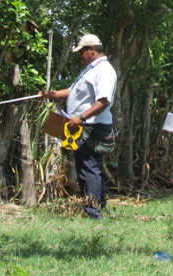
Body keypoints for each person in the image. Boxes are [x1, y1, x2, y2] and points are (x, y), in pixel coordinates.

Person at [40, 34, 117, 219]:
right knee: (92, 168)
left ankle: (93, 213)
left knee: (88, 169)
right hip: (83, 125)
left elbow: (104, 101)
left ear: (92, 49)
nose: (80, 55)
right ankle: (100, 207)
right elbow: (73, 91)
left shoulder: (104, 71)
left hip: (91, 128)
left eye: (82, 51)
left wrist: (81, 117)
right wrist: (51, 94)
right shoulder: (90, 69)